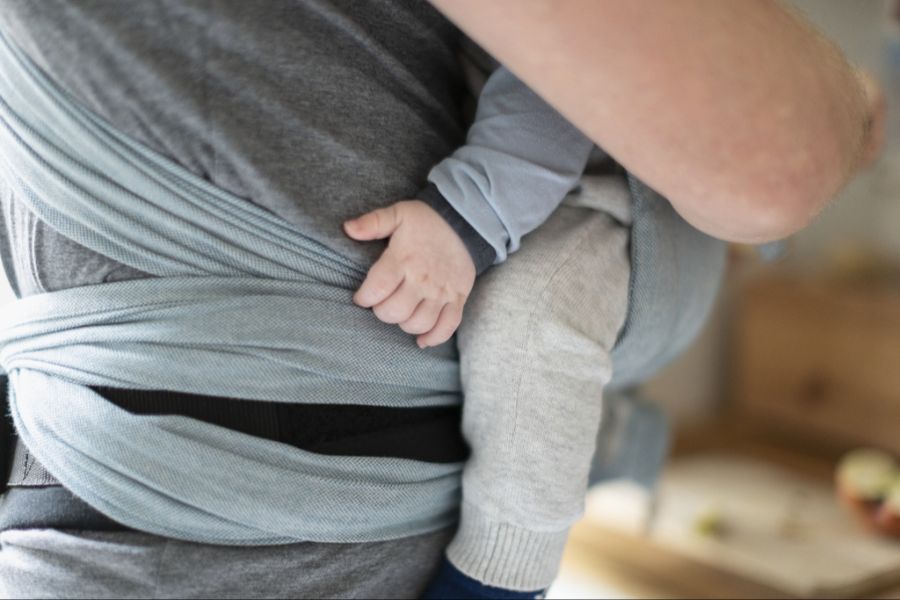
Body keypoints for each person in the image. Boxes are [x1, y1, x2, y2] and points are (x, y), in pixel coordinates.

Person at [0, 2, 883, 599]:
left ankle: (503, 575)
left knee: (532, 319)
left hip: (582, 200)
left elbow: (567, 93)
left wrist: (468, 218)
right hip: (94, 460)